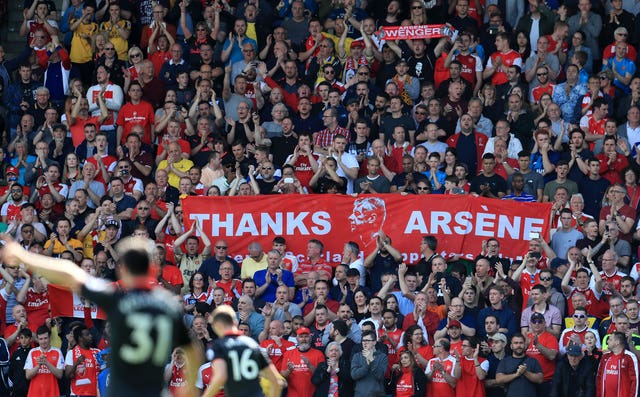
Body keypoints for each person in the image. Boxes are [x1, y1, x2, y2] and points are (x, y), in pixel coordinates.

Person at [1, 237, 200, 397]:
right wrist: (189, 386)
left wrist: (25, 257)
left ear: (123, 270)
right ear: (153, 268)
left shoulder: (118, 299)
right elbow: (191, 349)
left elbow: (70, 273)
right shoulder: (169, 306)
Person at [205, 305, 285, 397]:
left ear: (217, 325)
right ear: (235, 323)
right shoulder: (252, 344)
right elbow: (276, 381)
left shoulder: (219, 345)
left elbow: (220, 377)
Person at [595, 331, 638, 397]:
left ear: (617, 342)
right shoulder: (605, 357)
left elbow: (635, 381)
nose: (607, 342)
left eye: (610, 339)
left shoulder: (629, 357)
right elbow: (599, 378)